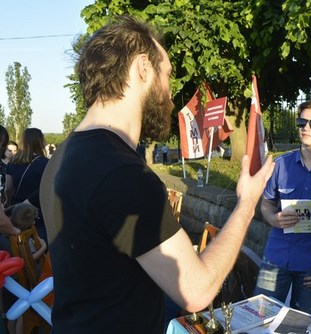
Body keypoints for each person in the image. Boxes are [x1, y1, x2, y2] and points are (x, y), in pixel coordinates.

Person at [39, 16, 274, 334]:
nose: (169, 89)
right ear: (142, 68)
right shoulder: (121, 171)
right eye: (167, 74)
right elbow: (197, 291)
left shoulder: (66, 154)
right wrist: (247, 203)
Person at [253, 99, 311, 315]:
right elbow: (266, 203)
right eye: (301, 122)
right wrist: (273, 219)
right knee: (260, 320)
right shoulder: (280, 165)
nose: (306, 128)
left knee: (299, 325)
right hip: (276, 258)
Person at [5, 128, 49, 242]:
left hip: (16, 211)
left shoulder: (12, 162)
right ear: (40, 142)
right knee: (38, 244)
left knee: (17, 245)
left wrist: (8, 203)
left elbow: (8, 189)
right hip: (36, 213)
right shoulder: (45, 163)